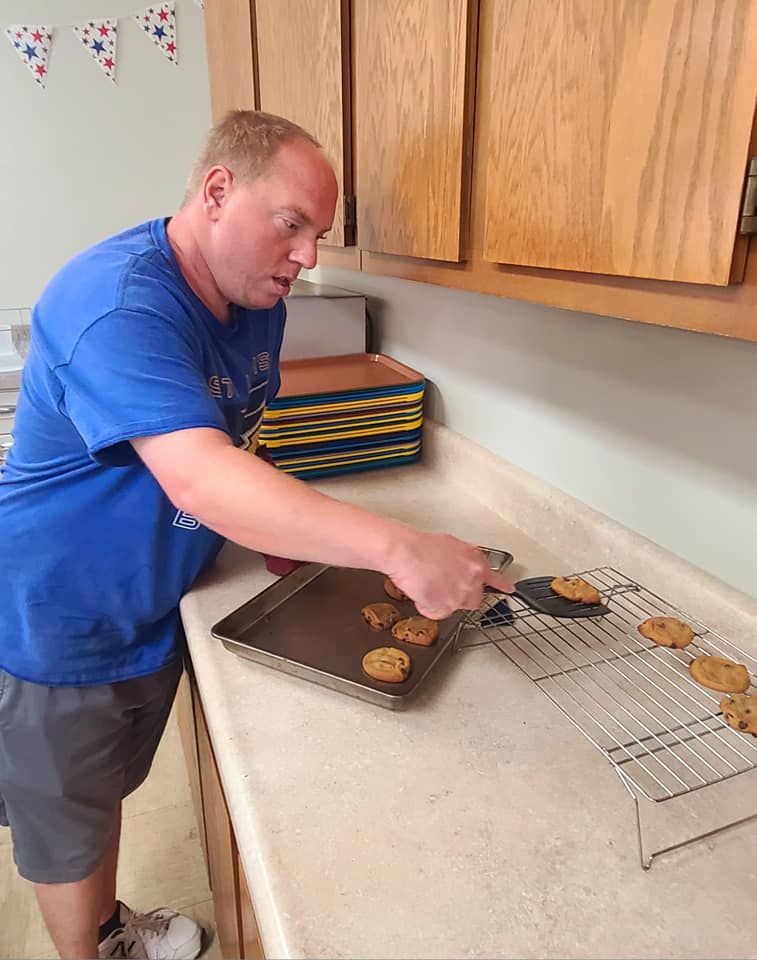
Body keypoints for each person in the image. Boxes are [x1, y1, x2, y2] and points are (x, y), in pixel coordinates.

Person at [0, 110, 512, 960]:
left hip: (154, 589)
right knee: (71, 827)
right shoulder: (119, 305)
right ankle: (91, 948)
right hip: (62, 608)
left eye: (318, 233)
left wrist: (291, 528)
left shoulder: (251, 299)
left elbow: (235, 434)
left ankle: (109, 928)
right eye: (292, 224)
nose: (308, 254)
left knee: (108, 788)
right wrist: (395, 544)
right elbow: (200, 475)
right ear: (216, 192)